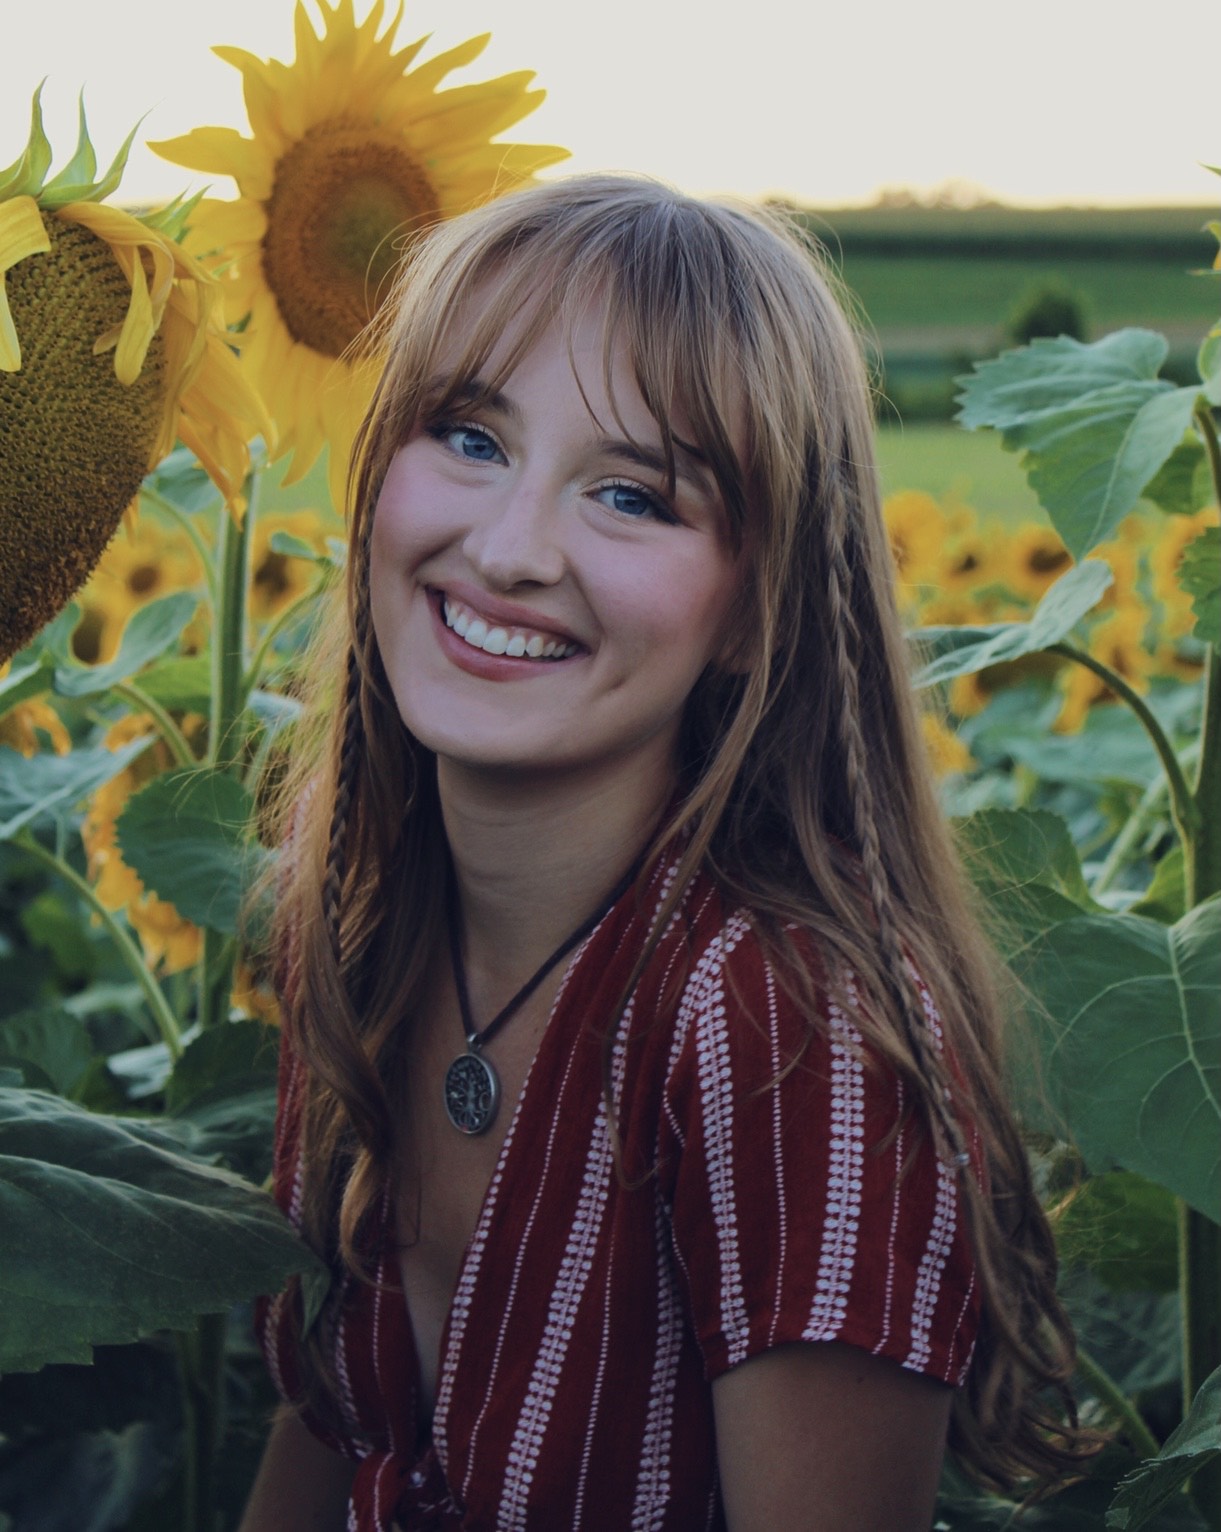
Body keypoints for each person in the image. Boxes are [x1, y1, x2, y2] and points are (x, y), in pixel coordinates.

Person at [240, 175, 1084, 1532]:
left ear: (759, 608)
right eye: (466, 435)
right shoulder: (361, 926)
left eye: (630, 496)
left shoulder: (787, 1036)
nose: (506, 548)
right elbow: (336, 1433)